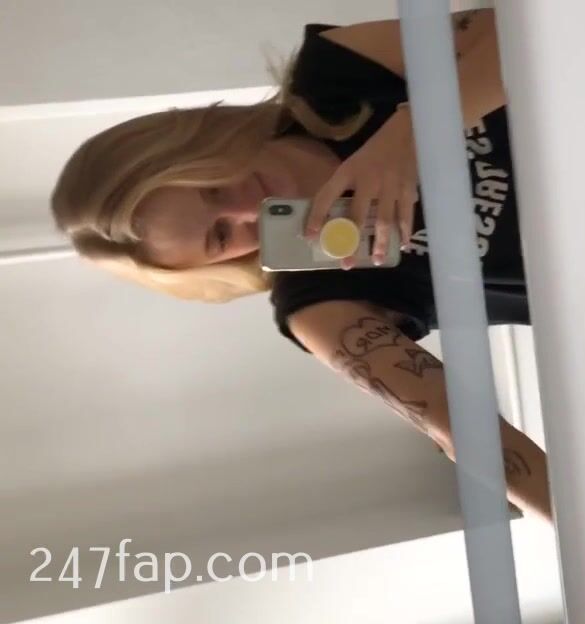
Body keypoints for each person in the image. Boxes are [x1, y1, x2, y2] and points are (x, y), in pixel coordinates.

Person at [49, 10, 552, 522]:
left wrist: (410, 135)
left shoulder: (337, 75)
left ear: (197, 143)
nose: (246, 210)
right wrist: (581, 529)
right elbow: (461, 430)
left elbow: (537, 27)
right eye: (221, 236)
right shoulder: (318, 302)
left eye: (213, 187)